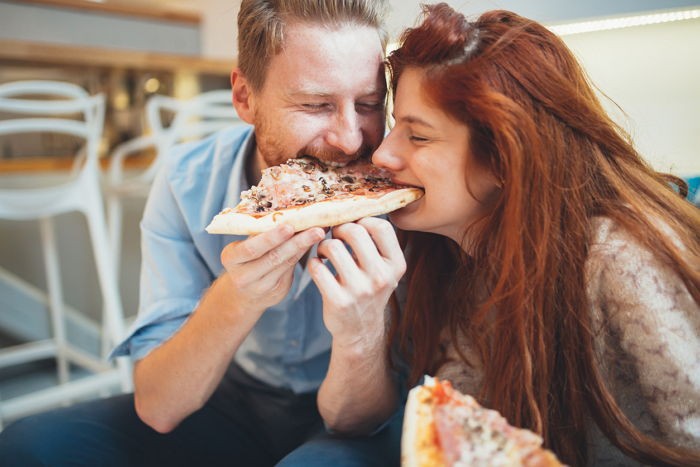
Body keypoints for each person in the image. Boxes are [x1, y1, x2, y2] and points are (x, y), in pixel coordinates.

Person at [0, 1, 405, 465]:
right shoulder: (185, 182)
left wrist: (363, 332)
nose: (351, 139)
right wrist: (237, 296)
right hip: (233, 397)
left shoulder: (406, 186)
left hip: (361, 406)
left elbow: (366, 416)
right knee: (26, 445)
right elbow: (159, 407)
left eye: (370, 105)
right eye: (316, 105)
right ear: (244, 97)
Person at [308, 3, 700, 466]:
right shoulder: (433, 254)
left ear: (503, 159)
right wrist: (359, 329)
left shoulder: (620, 259)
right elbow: (350, 422)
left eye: (418, 136)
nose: (381, 156)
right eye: (395, 126)